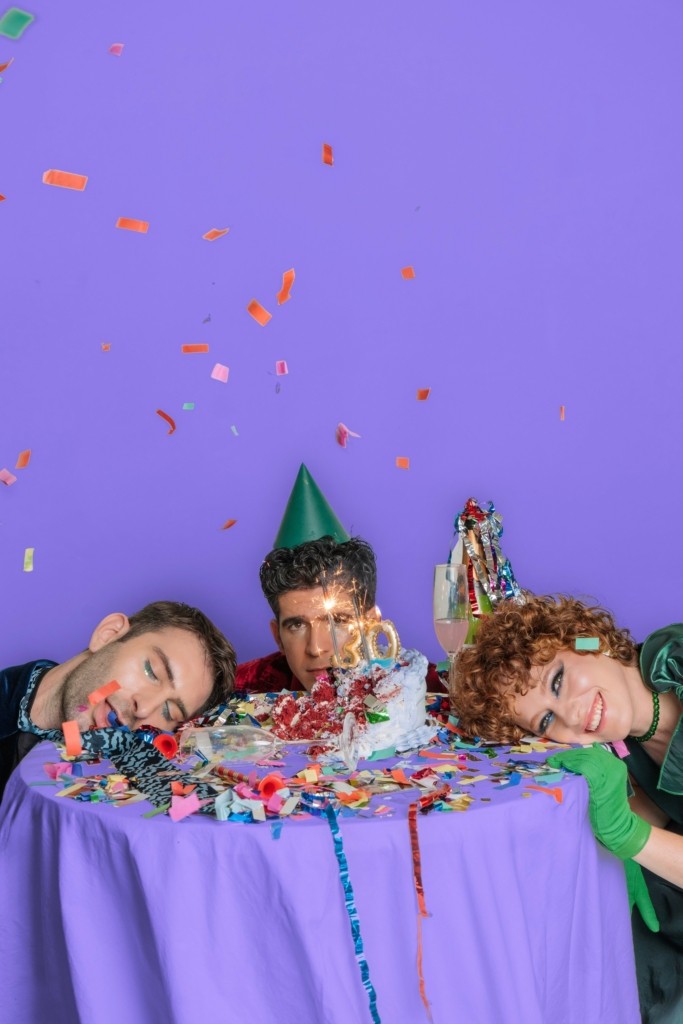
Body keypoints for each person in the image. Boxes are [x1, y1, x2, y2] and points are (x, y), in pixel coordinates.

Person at [451, 593, 683, 1024]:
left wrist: (632, 836)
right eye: (546, 721)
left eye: (557, 681)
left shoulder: (677, 662)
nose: (572, 718)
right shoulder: (626, 740)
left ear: (588, 638)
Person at [0, 600, 236, 802]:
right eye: (151, 672)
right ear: (108, 634)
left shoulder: (112, 792)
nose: (144, 708)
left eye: (169, 712)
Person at [236, 464, 444, 693]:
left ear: (372, 624)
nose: (315, 648)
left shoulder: (435, 690)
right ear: (278, 637)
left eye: (336, 620)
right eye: (296, 625)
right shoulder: (242, 691)